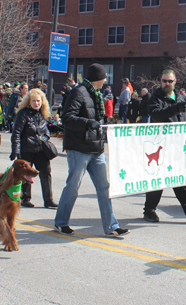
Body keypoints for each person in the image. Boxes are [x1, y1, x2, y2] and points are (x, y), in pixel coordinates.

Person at [54, 63, 129, 237]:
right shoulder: (78, 92)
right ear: (98, 78)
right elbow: (67, 118)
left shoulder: (95, 94)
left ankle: (112, 226)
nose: (105, 81)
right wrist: (88, 123)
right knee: (73, 186)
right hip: (79, 149)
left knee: (104, 188)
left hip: (96, 149)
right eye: (104, 78)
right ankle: (61, 222)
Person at [142, 70, 186, 224]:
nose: (167, 84)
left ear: (175, 81)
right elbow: (156, 115)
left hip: (179, 146)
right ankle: (149, 210)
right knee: (158, 180)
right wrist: (177, 108)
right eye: (164, 81)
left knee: (180, 178)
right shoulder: (155, 98)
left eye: (170, 81)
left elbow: (184, 115)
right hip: (162, 145)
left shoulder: (181, 98)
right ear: (161, 81)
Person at [10, 88, 57, 209]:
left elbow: (46, 131)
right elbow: (16, 133)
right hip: (26, 149)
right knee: (26, 175)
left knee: (46, 173)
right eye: (34, 101)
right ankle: (25, 198)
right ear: (29, 102)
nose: (36, 103)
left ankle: (48, 200)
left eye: (38, 101)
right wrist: (15, 150)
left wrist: (46, 138)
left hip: (41, 150)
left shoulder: (43, 114)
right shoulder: (23, 113)